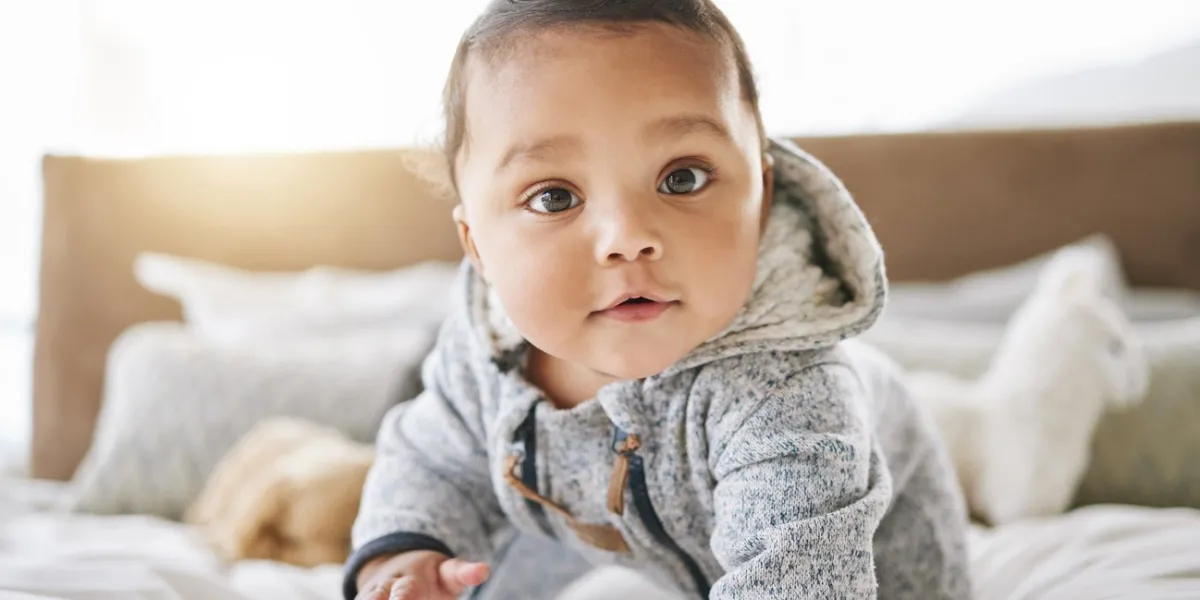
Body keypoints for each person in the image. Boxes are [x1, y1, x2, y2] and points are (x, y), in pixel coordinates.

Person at [345, 1, 971, 598]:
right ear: (476, 244)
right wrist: (405, 555)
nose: (628, 239)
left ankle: (989, 421)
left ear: (761, 198)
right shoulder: (486, 346)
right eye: (554, 197)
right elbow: (433, 457)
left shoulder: (787, 398)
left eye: (683, 178)